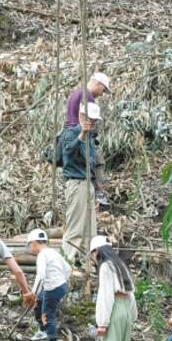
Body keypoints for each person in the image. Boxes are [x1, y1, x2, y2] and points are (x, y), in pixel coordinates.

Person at [90, 235, 142, 341]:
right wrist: (132, 316)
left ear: (97, 252)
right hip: (125, 308)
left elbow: (105, 296)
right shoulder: (121, 265)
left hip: (114, 310)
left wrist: (102, 323)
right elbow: (131, 293)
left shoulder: (106, 267)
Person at [60, 103, 102, 264]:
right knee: (75, 227)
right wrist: (81, 135)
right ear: (82, 117)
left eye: (94, 120)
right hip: (76, 183)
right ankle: (66, 261)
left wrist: (96, 191)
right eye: (90, 119)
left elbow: (92, 165)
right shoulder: (72, 133)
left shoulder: (91, 138)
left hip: (87, 184)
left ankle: (87, 263)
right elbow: (68, 152)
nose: (92, 123)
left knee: (89, 228)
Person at [64, 72, 111, 207]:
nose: (102, 94)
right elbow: (86, 118)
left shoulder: (77, 93)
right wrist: (88, 134)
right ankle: (98, 192)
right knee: (98, 162)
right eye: (103, 90)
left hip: (73, 134)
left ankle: (93, 192)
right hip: (80, 135)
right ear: (98, 84)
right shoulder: (87, 97)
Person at [26, 228, 71, 341]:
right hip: (59, 286)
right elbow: (68, 269)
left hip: (52, 288)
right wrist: (62, 281)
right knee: (38, 304)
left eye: (30, 244)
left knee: (47, 314)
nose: (30, 247)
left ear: (34, 243)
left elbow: (40, 276)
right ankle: (42, 330)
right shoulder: (54, 252)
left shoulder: (42, 255)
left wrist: (33, 293)